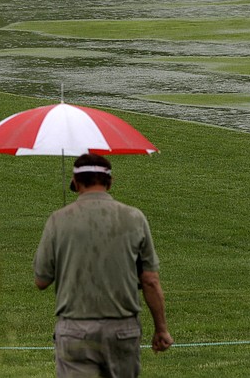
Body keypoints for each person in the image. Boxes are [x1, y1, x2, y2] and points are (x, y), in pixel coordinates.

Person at [34, 153, 173, 377]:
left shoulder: (58, 220)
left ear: (76, 182)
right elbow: (150, 280)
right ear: (110, 182)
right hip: (122, 329)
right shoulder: (134, 218)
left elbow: (41, 280)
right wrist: (161, 329)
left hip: (76, 330)